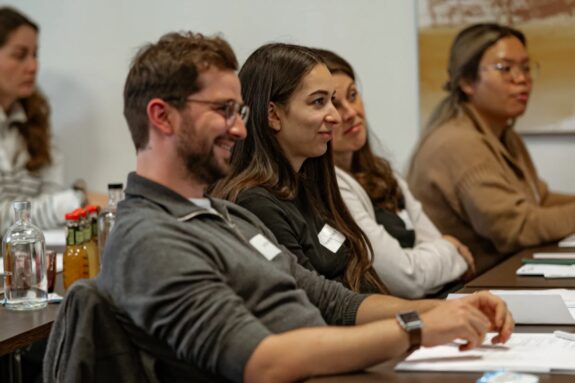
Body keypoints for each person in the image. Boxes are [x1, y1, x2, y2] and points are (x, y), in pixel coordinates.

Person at [96, 31, 513, 383]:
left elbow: (333, 302)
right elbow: (260, 360)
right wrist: (417, 329)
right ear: (162, 117)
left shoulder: (223, 216)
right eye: (223, 111)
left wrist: (445, 309)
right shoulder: (152, 239)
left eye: (238, 111)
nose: (240, 127)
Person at [212, 43, 386, 294]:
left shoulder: (307, 183)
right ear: (273, 115)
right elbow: (316, 303)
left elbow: (357, 269)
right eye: (318, 102)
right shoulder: (255, 204)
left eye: (332, 101)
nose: (335, 117)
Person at [408, 23, 575, 274]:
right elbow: (516, 229)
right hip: (460, 293)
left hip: (498, 277)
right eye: (504, 68)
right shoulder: (458, 142)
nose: (522, 79)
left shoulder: (504, 134)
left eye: (526, 68)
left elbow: (539, 199)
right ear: (466, 82)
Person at [314, 48, 474, 298]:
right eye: (333, 103)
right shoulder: (330, 186)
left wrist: (439, 254)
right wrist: (451, 251)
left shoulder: (382, 172)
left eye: (353, 96)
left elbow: (430, 242)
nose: (350, 113)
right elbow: (406, 279)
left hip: (447, 299)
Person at [0, 7, 106, 236]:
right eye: (20, 55)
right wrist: (78, 199)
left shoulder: (34, 121)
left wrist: (75, 200)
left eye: (35, 54)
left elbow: (50, 194)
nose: (33, 66)